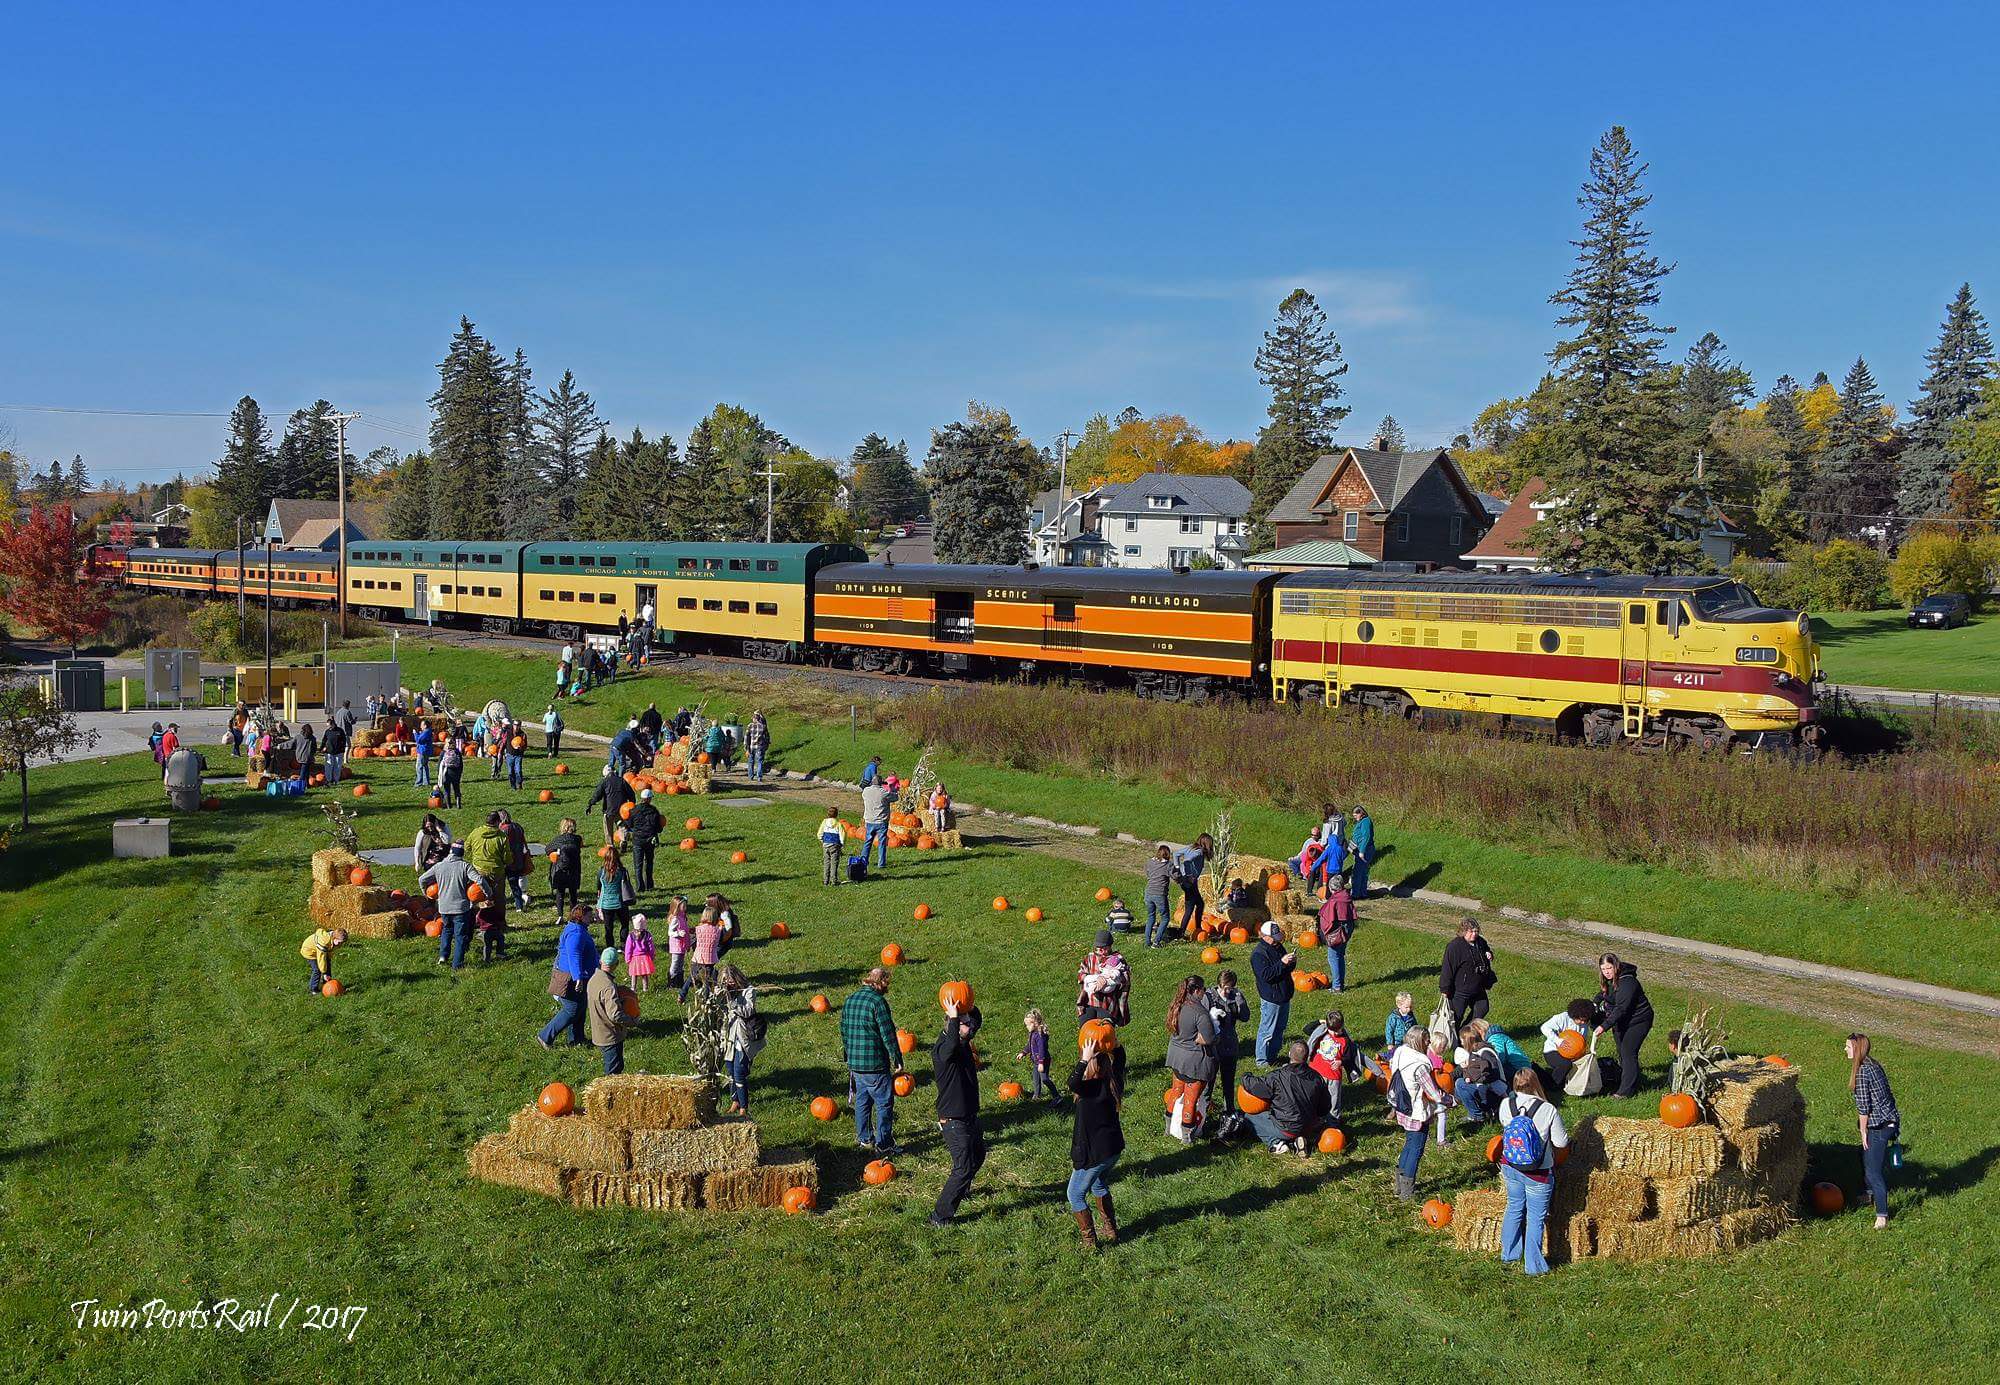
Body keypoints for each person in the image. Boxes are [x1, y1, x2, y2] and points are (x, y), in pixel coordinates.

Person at [1496, 1069, 1570, 1275]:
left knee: (1514, 1207)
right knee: (1536, 1218)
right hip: (1538, 1173)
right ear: (1536, 1084)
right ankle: (1534, 1266)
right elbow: (1561, 1142)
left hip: (1510, 1166)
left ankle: (1509, 1254)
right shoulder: (1547, 1109)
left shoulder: (1505, 1105)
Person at [1066, 1027, 1126, 1249]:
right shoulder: (1113, 1081)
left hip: (1094, 1153)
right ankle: (1111, 1230)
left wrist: (1083, 1059)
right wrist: (1113, 1043)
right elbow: (1120, 1057)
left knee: (1074, 1194)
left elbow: (1072, 1083)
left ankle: (1089, 1242)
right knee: (1099, 1184)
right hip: (1113, 1149)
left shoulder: (1089, 1088)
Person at [930, 992, 985, 1227]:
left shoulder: (962, 1043)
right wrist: (953, 1018)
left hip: (968, 1116)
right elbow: (950, 1045)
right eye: (966, 1023)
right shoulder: (943, 1050)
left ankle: (960, 1190)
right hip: (953, 1121)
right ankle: (940, 1216)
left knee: (978, 1156)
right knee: (962, 1167)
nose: (971, 1027)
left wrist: (966, 1004)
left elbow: (977, 1022)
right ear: (953, 1025)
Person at [840, 967, 904, 1154]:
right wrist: (897, 1058)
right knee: (884, 1103)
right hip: (875, 1063)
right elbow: (888, 1034)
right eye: (887, 984)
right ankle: (884, 1144)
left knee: (862, 1101)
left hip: (855, 1063)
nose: (887, 988)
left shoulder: (850, 1000)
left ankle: (864, 1139)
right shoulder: (878, 1002)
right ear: (881, 982)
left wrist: (848, 1054)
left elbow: (844, 1029)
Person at [1240, 1039, 1331, 1157]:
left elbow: (1254, 1085)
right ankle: (1298, 1140)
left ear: (1289, 1054)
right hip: (1309, 1126)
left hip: (1286, 1127)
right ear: (1307, 1057)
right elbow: (1325, 1107)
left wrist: (1246, 1075)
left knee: (1249, 1116)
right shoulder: (1317, 1078)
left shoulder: (1277, 1077)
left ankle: (1277, 1143)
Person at [1389, 1027, 1452, 1200]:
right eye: (1426, 1040)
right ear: (1418, 1041)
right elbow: (1433, 1094)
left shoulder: (1401, 1051)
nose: (1429, 1043)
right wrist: (1451, 1100)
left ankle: (1399, 1184)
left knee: (1408, 1144)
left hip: (1403, 1106)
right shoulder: (1421, 1064)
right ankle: (1407, 1192)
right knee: (1416, 1149)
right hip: (1417, 1111)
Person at [1847, 1033, 1900, 1228]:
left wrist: (1863, 1132)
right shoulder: (1873, 1064)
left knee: (1874, 1170)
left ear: (1857, 1049)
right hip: (1890, 1120)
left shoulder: (1862, 1072)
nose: (1845, 1050)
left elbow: (1863, 1107)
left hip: (1879, 1125)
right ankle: (1868, 1196)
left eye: (1848, 1047)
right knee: (1865, 1158)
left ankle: (1882, 1215)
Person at [419, 842, 490, 972]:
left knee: (446, 930)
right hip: (460, 908)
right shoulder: (465, 866)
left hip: (444, 907)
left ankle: (443, 956)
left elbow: (422, 879)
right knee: (460, 936)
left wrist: (427, 894)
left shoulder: (439, 866)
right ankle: (457, 964)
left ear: (450, 852)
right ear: (461, 855)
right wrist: (488, 893)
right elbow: (479, 880)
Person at [1593, 952, 1655, 1099]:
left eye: (1609, 967)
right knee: (1622, 1051)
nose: (1607, 972)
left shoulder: (1628, 982)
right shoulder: (1610, 980)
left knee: (1628, 1052)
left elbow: (1621, 1008)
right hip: (1622, 1020)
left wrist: (1603, 1026)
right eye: (1603, 969)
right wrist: (1595, 1001)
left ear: (1616, 965)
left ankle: (1625, 1092)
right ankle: (1629, 1080)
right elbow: (1605, 993)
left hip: (1638, 1020)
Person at [1164, 975, 1216, 1143]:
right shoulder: (1200, 1012)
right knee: (1190, 1099)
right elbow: (1208, 1038)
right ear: (1196, 991)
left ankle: (1168, 1127)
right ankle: (1187, 1137)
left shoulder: (1177, 1005)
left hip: (1176, 1058)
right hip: (1194, 1062)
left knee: (1175, 1092)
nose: (1204, 992)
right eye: (1203, 989)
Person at [539, 910, 596, 1049]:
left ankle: (576, 1039)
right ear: (581, 917)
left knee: (580, 1006)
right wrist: (578, 978)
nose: (592, 917)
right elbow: (574, 956)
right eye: (589, 915)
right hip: (569, 978)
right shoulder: (576, 934)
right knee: (572, 1009)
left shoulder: (578, 929)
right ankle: (545, 1036)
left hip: (578, 976)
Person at [1249, 920, 1296, 1068]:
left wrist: (1291, 962)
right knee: (1267, 1031)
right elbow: (1266, 976)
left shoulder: (1277, 946)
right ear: (1265, 936)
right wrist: (1282, 963)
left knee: (1279, 1029)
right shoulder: (1258, 955)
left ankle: (1272, 1057)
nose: (1277, 940)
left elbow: (1284, 969)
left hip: (1284, 995)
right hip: (1272, 998)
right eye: (1274, 937)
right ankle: (1262, 1061)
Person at [1439, 917, 1497, 1032]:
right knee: (1456, 1017)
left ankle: (1465, 1033)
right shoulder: (1455, 947)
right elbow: (1447, 969)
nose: (1474, 934)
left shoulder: (1480, 942)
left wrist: (1489, 953)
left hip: (1478, 988)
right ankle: (1452, 1040)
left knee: (1482, 1009)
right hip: (1460, 990)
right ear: (1464, 931)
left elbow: (1486, 950)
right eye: (1471, 931)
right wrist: (1445, 989)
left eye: (1476, 931)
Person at [1205, 970, 1251, 1113]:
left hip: (1229, 1044)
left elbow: (1245, 1017)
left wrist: (1240, 1003)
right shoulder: (1209, 997)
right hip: (1213, 1045)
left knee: (1228, 1081)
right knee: (1209, 1080)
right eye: (1224, 987)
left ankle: (1228, 1111)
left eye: (1229, 988)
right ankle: (1204, 1108)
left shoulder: (1235, 996)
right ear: (1219, 984)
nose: (1226, 991)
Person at [1305, 1008, 1361, 1122]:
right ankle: (1315, 1119)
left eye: (1339, 1031)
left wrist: (1342, 1062)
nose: (1336, 1033)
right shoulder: (1321, 1031)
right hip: (1316, 1072)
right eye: (1333, 1031)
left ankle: (1333, 1123)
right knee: (1315, 1097)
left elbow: (1349, 1055)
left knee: (1333, 1100)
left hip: (1333, 1076)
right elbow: (1306, 1029)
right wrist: (1320, 1022)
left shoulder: (1344, 1040)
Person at [719, 965, 760, 1116]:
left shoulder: (749, 991)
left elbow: (748, 1011)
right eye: (724, 981)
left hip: (743, 1038)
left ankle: (744, 1107)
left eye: (729, 980)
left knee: (739, 1073)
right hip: (728, 1038)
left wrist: (732, 1002)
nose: (728, 983)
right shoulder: (724, 993)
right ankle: (735, 1101)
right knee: (730, 1072)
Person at [1454, 1022, 1509, 1126]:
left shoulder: (1484, 1052)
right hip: (1487, 1087)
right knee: (1459, 1083)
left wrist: (1476, 1078)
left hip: (1494, 1090)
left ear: (1467, 1040)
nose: (1461, 1043)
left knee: (1460, 1084)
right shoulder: (1475, 1051)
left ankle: (1477, 1115)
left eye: (1462, 1041)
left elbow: (1493, 1074)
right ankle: (1484, 1110)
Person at [1539, 1000, 1596, 1093]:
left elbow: (1581, 1042)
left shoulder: (1584, 1025)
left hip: (1572, 1054)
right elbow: (1544, 1027)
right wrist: (1558, 1041)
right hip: (1553, 1050)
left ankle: (1544, 1076)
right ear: (1574, 1015)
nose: (1582, 1022)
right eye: (1580, 1019)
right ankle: (1551, 1087)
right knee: (1565, 1065)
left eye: (1584, 1020)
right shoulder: (1562, 1018)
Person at [1075, 931, 1131, 1027]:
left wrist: (1109, 980)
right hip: (1089, 1001)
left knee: (1105, 1030)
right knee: (1085, 1027)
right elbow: (1081, 974)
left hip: (1107, 1003)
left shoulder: (1117, 959)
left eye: (1105, 948)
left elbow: (1125, 979)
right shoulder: (1090, 958)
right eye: (1099, 949)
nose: (1102, 952)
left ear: (1110, 946)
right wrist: (1095, 978)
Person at [586, 948, 627, 1075]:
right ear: (616, 965)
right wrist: (632, 1021)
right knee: (613, 1072)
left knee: (614, 1066)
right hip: (610, 1035)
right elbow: (615, 1015)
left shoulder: (593, 979)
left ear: (600, 961)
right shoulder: (609, 987)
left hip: (598, 1031)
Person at [1318, 879, 1356, 992]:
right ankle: (1340, 983)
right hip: (1347, 930)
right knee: (1340, 956)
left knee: (1333, 958)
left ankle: (1336, 986)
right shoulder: (1346, 897)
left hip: (1336, 931)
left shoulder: (1334, 901)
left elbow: (1328, 919)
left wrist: (1324, 932)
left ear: (1331, 888)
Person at [1172, 833, 1214, 938]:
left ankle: (1197, 928)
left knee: (1199, 904)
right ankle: (1180, 933)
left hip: (1186, 881)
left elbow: (1176, 854)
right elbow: (1187, 861)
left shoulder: (1190, 847)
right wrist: (1188, 875)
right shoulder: (1199, 852)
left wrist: (1177, 868)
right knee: (1190, 908)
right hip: (1189, 882)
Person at [596, 846, 635, 950]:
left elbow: (598, 887)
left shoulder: (601, 871)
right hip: (620, 902)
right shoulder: (622, 871)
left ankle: (610, 947)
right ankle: (623, 945)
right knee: (624, 925)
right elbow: (626, 885)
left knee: (608, 928)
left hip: (606, 904)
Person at [546, 817, 584, 924]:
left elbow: (547, 849)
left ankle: (560, 915)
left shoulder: (559, 839)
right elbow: (581, 846)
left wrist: (556, 852)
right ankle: (573, 915)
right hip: (574, 869)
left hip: (561, 869)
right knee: (573, 894)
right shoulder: (577, 839)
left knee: (560, 893)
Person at [1020, 1008, 1061, 1105]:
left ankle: (1057, 1096)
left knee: (1045, 1079)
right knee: (1036, 1078)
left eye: (1027, 1025)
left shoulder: (1040, 1036)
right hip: (1036, 1061)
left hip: (1043, 1061)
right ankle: (1036, 1095)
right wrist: (1023, 1052)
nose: (1026, 1027)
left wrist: (1041, 1063)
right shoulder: (1032, 1033)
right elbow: (1030, 1045)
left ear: (1034, 1023)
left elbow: (1042, 1050)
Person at [587, 764, 632, 845]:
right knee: (622, 826)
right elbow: (631, 794)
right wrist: (632, 804)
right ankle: (623, 840)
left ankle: (610, 845)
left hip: (609, 810)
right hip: (621, 809)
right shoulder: (622, 780)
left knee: (608, 828)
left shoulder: (604, 782)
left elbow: (597, 795)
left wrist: (590, 804)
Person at [628, 788, 663, 891]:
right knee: (649, 863)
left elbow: (629, 824)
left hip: (638, 841)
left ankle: (640, 887)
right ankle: (649, 885)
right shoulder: (654, 811)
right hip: (649, 840)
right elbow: (658, 828)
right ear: (648, 799)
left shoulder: (634, 810)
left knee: (638, 865)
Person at [1141, 844, 1175, 949]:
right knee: (1165, 918)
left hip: (1148, 893)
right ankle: (1156, 942)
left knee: (1151, 916)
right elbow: (1175, 876)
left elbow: (1147, 872)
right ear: (1168, 855)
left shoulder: (1150, 862)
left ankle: (1147, 941)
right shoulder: (1168, 865)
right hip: (1159, 894)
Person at [500, 808, 531, 911]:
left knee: (502, 885)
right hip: (519, 859)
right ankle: (519, 906)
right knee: (515, 885)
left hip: (507, 861)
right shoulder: (517, 826)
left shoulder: (503, 830)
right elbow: (523, 841)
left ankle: (503, 905)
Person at [301, 926, 347, 995]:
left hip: (318, 952)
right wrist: (324, 972)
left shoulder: (331, 939)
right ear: (334, 938)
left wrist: (329, 959)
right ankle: (313, 989)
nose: (340, 945)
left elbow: (329, 951)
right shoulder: (324, 942)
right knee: (317, 970)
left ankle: (326, 983)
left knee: (328, 964)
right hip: (309, 952)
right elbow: (321, 958)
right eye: (340, 942)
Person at [860, 776, 891, 872]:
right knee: (881, 843)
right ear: (881, 783)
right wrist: (888, 787)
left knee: (868, 841)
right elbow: (895, 797)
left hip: (869, 820)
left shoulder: (865, 791)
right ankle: (881, 863)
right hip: (881, 821)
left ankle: (864, 860)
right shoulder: (883, 792)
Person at [664, 896, 693, 1000]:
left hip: (682, 945)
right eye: (683, 905)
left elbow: (685, 929)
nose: (685, 907)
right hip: (676, 945)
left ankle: (679, 982)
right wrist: (678, 933)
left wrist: (688, 939)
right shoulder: (675, 918)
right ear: (677, 906)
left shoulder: (683, 916)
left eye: (685, 905)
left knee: (680, 963)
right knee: (675, 963)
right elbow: (670, 932)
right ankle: (671, 982)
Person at [1347, 805, 1375, 898]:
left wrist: (1362, 851)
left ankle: (1356, 893)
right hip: (1360, 849)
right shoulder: (1362, 821)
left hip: (1364, 850)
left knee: (1358, 872)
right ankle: (1362, 892)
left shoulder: (1366, 822)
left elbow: (1365, 836)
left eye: (1355, 816)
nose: (1355, 818)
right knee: (1362, 872)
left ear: (1361, 813)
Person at [817, 809, 846, 886]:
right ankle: (834, 881)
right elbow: (842, 835)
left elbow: (819, 833)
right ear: (836, 815)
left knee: (826, 862)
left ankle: (825, 880)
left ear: (827, 814)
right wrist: (842, 844)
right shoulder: (838, 824)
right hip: (835, 845)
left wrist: (822, 840)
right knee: (834, 863)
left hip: (826, 845)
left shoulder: (824, 822)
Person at [1383, 991, 1418, 1055]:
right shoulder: (1394, 1017)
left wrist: (1416, 1036)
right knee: (1394, 1054)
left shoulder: (1411, 1016)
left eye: (1410, 1007)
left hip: (1408, 1041)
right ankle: (1383, 1057)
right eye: (1406, 1007)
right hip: (1397, 1042)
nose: (1409, 1009)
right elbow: (1389, 1030)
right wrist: (1390, 1043)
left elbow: (1414, 1027)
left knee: (1407, 1054)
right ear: (1399, 1005)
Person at [437, 732, 465, 808]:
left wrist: (439, 774)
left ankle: (448, 805)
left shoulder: (443, 752)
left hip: (446, 773)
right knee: (457, 789)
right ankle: (458, 804)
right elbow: (461, 764)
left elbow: (439, 764)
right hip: (456, 773)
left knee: (447, 790)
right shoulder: (457, 752)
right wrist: (460, 773)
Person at [745, 710, 770, 782]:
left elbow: (747, 737)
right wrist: (767, 744)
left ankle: (751, 776)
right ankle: (759, 776)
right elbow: (767, 736)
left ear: (755, 719)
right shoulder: (763, 727)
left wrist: (746, 747)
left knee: (750, 761)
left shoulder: (750, 726)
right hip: (760, 746)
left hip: (751, 746)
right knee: (759, 761)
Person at [320, 716, 346, 784]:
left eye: (330, 726)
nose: (329, 728)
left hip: (338, 751)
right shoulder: (327, 732)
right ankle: (329, 779)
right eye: (328, 726)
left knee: (337, 766)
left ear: (333, 724)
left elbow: (344, 740)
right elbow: (324, 740)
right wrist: (321, 748)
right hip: (329, 751)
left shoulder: (340, 731)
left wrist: (342, 749)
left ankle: (336, 780)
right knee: (328, 766)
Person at [412, 720, 435, 787]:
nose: (420, 726)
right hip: (425, 751)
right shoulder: (427, 732)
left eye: (422, 725)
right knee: (424, 766)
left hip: (423, 751)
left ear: (425, 726)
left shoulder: (426, 732)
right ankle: (426, 782)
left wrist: (415, 733)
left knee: (419, 767)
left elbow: (419, 740)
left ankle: (418, 783)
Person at [503, 726, 526, 791]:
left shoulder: (522, 734)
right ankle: (513, 786)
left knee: (518, 770)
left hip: (518, 755)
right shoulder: (508, 733)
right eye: (515, 725)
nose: (517, 727)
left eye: (518, 725)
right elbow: (503, 742)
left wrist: (521, 748)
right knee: (510, 771)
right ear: (513, 725)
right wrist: (501, 752)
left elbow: (525, 746)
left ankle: (519, 784)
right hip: (509, 755)